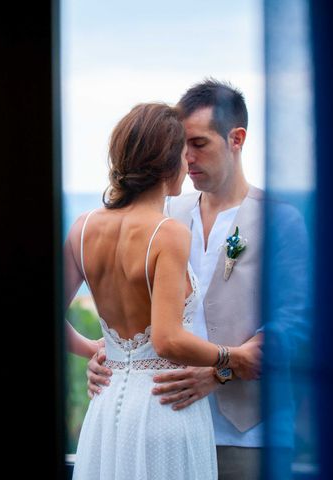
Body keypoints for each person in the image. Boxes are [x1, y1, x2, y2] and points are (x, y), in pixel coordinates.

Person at [86, 79, 309, 479]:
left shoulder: (281, 220)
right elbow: (135, 309)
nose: (187, 157)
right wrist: (107, 358)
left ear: (236, 138)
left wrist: (219, 372)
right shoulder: (165, 214)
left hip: (248, 434)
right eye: (180, 147)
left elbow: (294, 327)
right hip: (166, 427)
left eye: (199, 143)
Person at [65, 102, 261, 479]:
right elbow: (168, 340)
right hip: (165, 408)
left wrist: (96, 350)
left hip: (106, 409)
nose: (189, 164)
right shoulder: (167, 231)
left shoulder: (82, 228)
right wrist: (230, 357)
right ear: (170, 164)